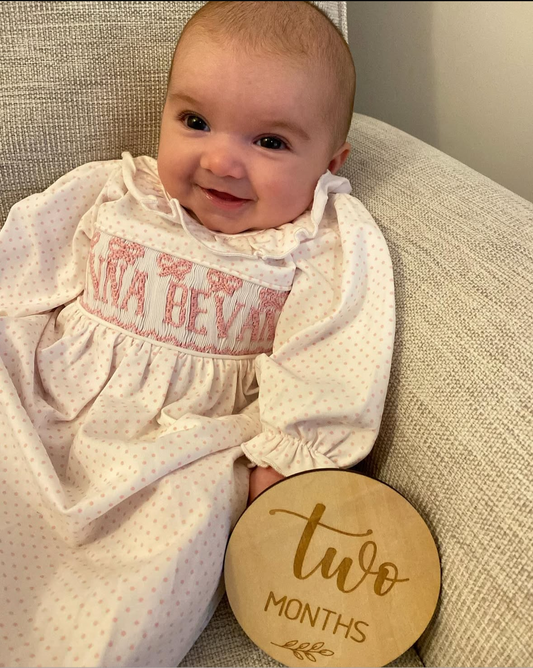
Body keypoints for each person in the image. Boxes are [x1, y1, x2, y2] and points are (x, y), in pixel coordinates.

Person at [0, 2, 395, 666]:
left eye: (268, 142)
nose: (221, 160)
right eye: (195, 122)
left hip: (184, 451)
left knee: (151, 575)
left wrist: (290, 463)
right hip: (43, 402)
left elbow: (332, 351)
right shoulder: (118, 193)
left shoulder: (317, 242)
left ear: (331, 160)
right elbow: (22, 265)